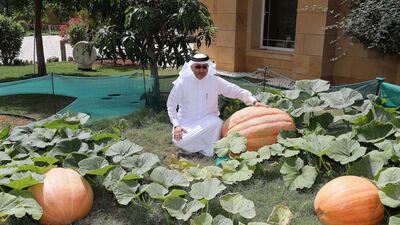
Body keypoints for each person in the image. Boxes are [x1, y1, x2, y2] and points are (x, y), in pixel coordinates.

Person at [166, 53, 269, 157]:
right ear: (192, 67)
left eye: (204, 67)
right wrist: (176, 125)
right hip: (186, 123)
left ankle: (206, 150)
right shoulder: (182, 83)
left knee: (217, 123)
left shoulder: (215, 81)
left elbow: (235, 90)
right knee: (179, 141)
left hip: (209, 122)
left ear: (208, 67)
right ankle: (206, 146)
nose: (201, 70)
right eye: (198, 67)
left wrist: (253, 101)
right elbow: (171, 105)